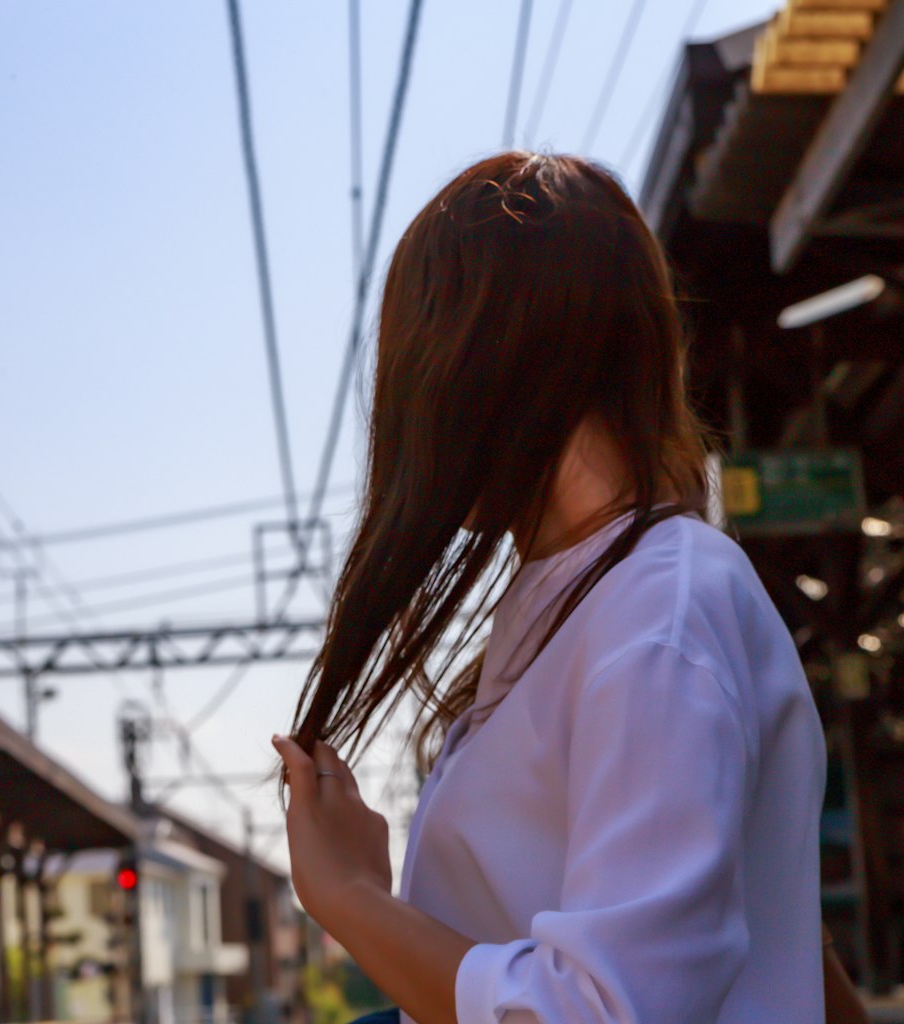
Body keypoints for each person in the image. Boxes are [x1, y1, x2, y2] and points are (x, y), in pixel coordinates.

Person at [271, 152, 829, 1024]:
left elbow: (601, 1010)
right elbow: (768, 929)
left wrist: (350, 900)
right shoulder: (600, 598)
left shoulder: (653, 612)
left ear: (482, 366)